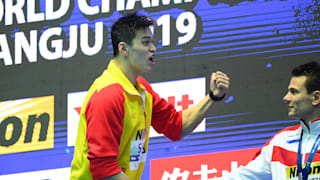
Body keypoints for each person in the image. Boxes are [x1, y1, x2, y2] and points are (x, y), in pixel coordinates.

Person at [70, 12, 230, 180]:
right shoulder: (108, 96)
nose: (153, 49)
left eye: (152, 42)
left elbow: (176, 126)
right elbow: (104, 170)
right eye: (146, 43)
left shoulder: (141, 89)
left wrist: (213, 96)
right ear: (123, 48)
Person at [221, 61, 320, 180]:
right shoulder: (280, 142)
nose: (286, 98)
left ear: (316, 98)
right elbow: (239, 177)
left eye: (294, 92)